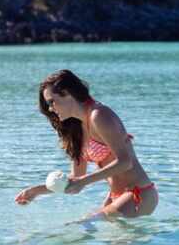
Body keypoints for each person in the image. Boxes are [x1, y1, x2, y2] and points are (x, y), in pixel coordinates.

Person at [15, 69, 158, 219]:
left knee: (81, 228)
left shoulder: (99, 115)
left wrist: (83, 182)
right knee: (86, 233)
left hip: (138, 194)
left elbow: (125, 162)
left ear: (67, 93)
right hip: (115, 197)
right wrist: (35, 191)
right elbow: (76, 178)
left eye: (52, 101)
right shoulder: (76, 128)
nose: (50, 108)